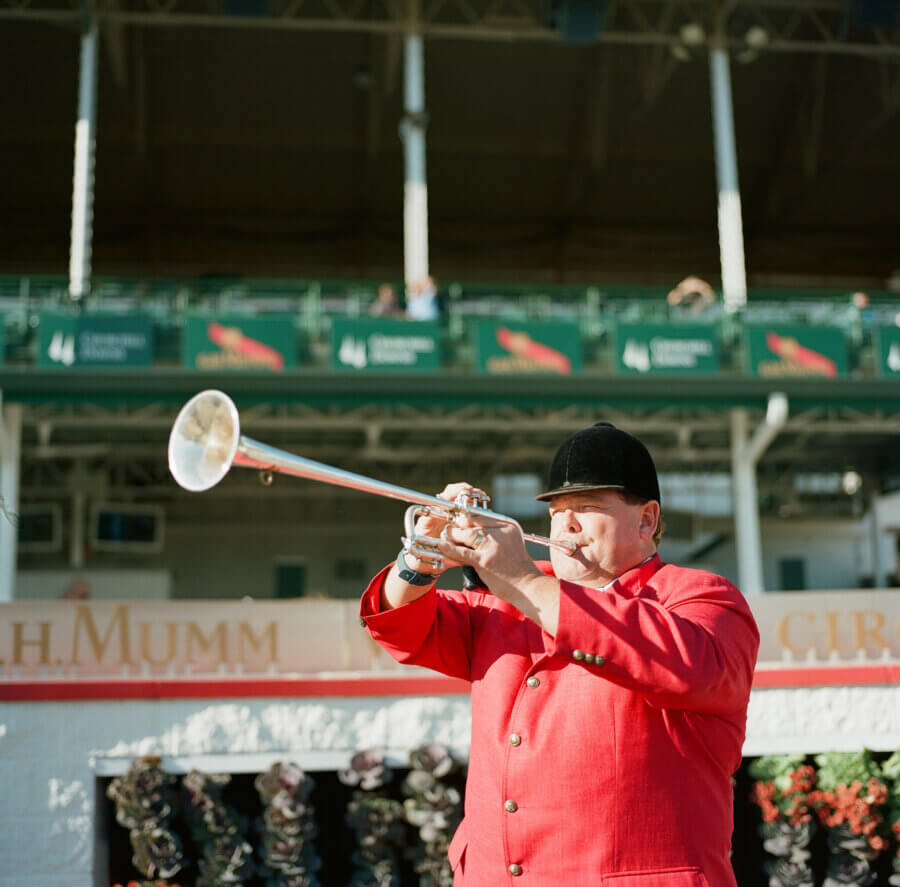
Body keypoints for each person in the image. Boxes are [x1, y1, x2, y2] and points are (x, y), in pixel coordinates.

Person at [360, 422, 759, 886]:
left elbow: (684, 665)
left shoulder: (702, 597)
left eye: (587, 508)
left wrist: (523, 579)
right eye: (557, 510)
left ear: (647, 520)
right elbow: (401, 625)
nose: (566, 524)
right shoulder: (507, 599)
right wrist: (421, 554)